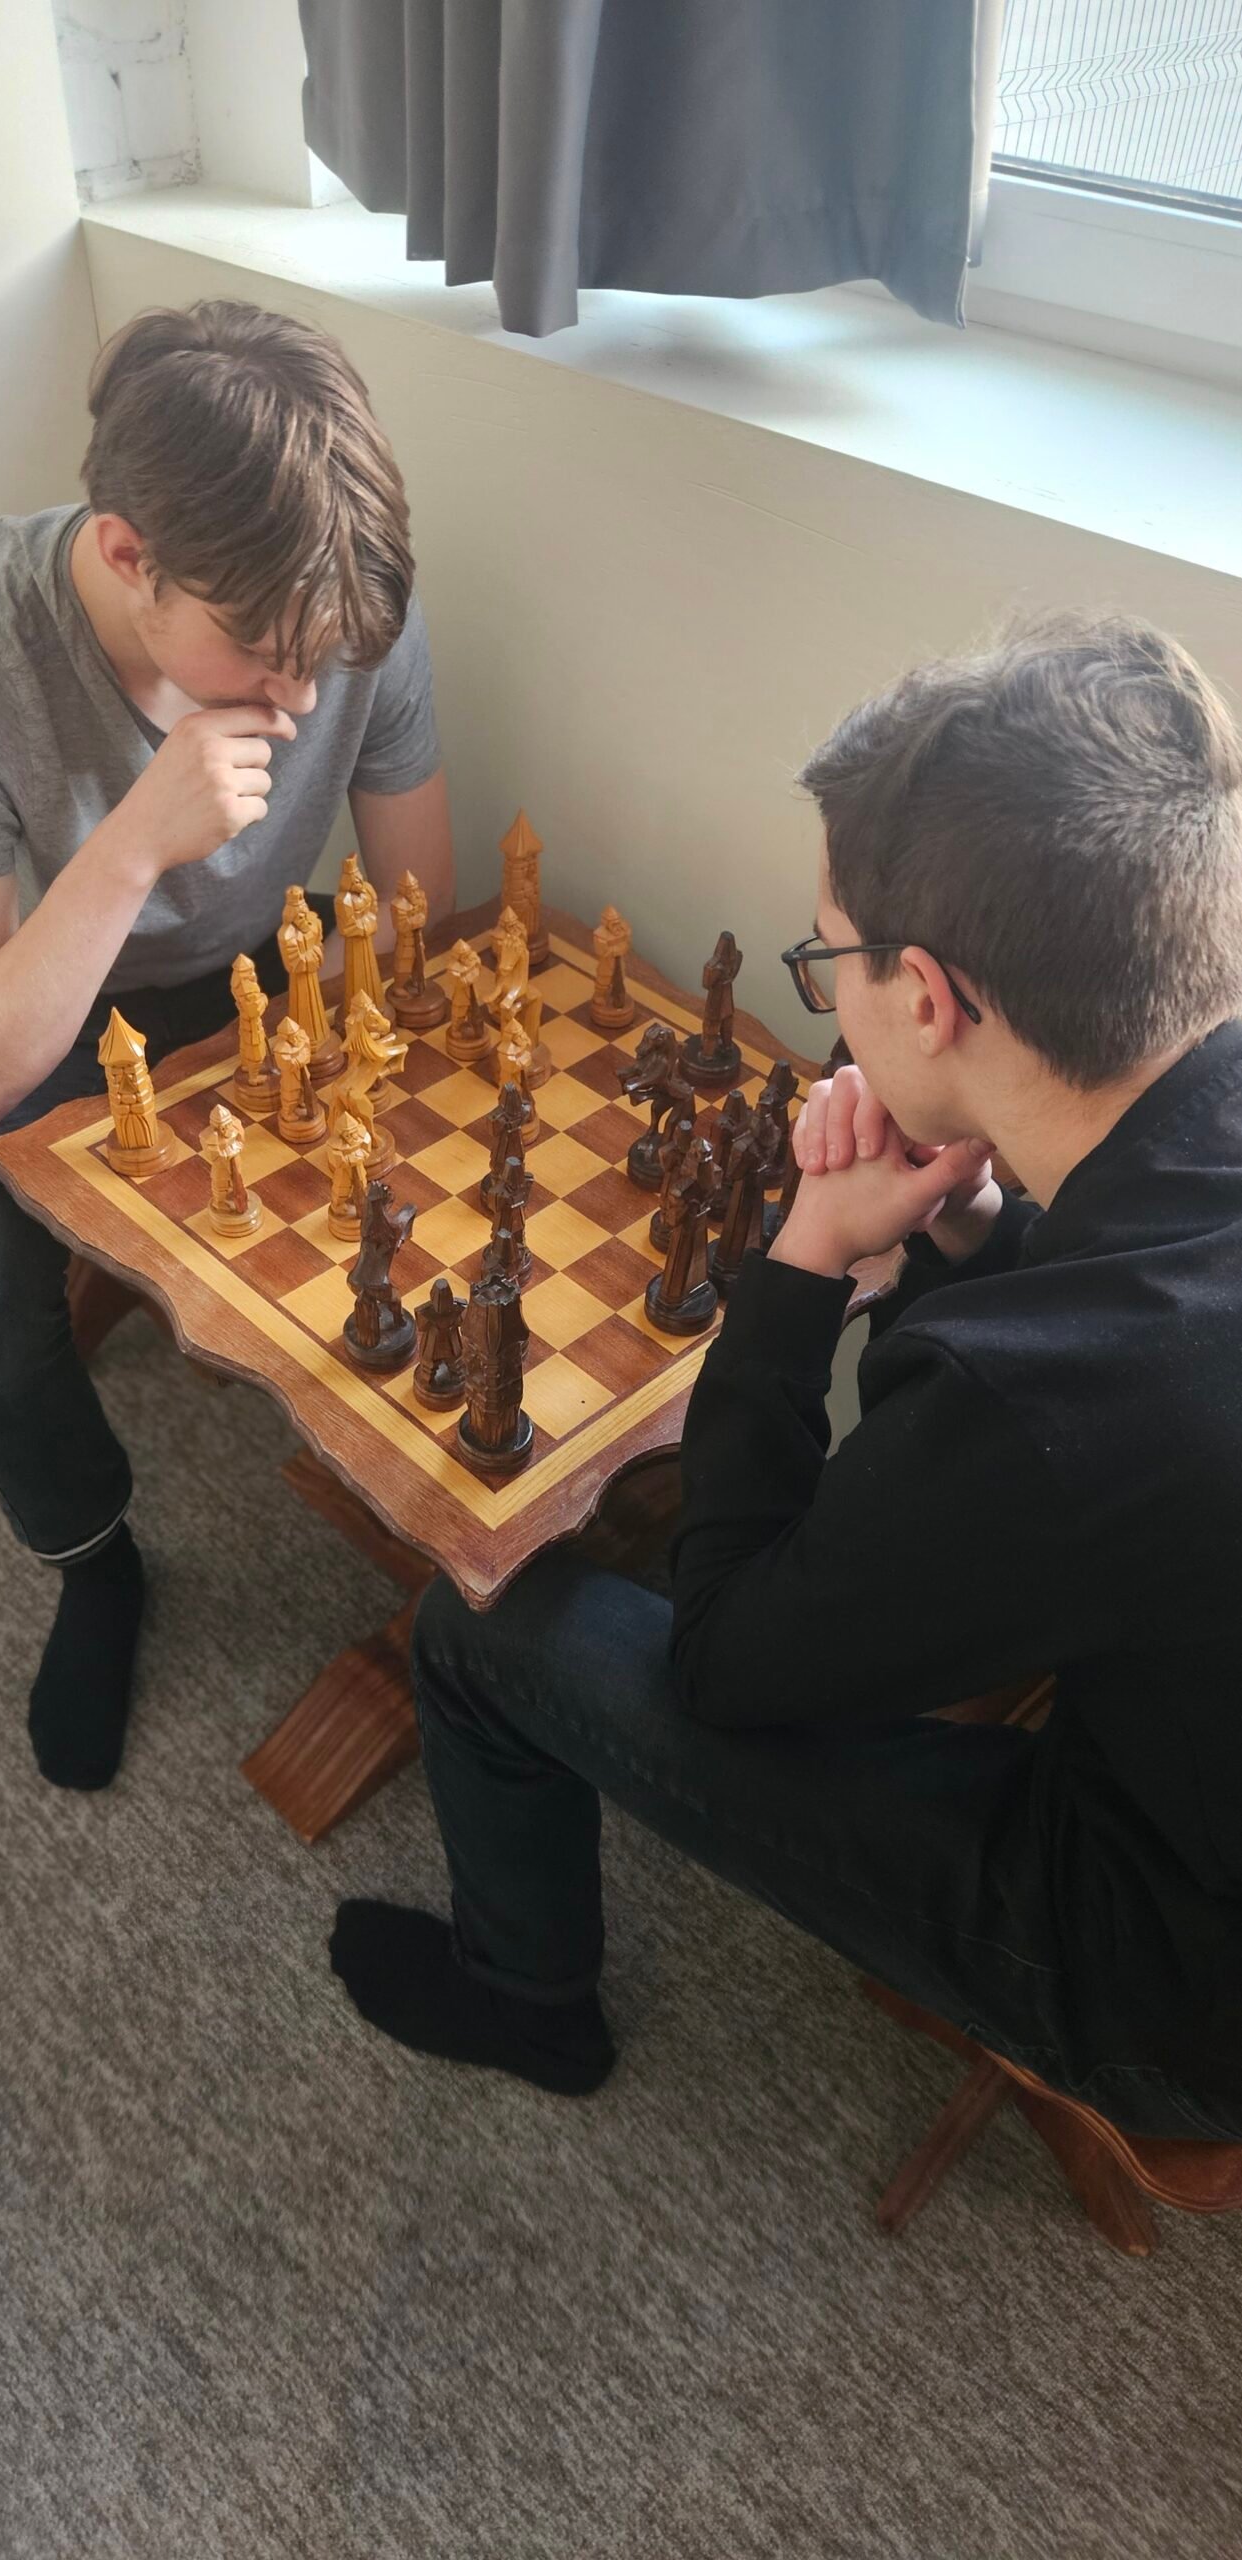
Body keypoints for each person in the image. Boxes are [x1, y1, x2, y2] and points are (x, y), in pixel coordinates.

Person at [330, 614, 1242, 2138]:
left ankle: (525, 1999)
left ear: (927, 999)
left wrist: (803, 1259)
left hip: (1172, 1976)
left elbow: (728, 1660)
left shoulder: (1042, 1410)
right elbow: (1083, 1379)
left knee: (480, 1624)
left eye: (826, 963)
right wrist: (967, 1227)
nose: (828, 999)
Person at [0, 300, 453, 1791]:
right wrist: (132, 845)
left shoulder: (334, 602)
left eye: (328, 659)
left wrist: (330, 1056)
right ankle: (93, 1557)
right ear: (128, 553)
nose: (305, 700)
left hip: (266, 971)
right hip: (42, 1005)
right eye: (262, 655)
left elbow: (414, 908)